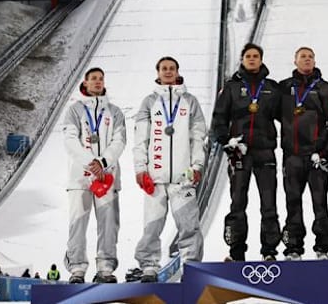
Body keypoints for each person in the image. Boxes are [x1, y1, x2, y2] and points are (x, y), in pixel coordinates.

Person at [133, 56, 207, 283]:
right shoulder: (149, 102)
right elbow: (140, 139)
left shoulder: (190, 101)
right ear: (157, 72)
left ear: (177, 72)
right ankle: (148, 267)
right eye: (164, 68)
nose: (168, 72)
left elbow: (198, 137)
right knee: (151, 227)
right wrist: (140, 169)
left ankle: (191, 266)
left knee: (189, 226)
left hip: (182, 178)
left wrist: (197, 166)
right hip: (154, 178)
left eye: (171, 68)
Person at [211, 43, 281, 261]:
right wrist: (226, 142)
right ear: (242, 59)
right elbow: (219, 118)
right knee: (238, 202)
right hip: (239, 153)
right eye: (248, 56)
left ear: (261, 60)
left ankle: (269, 251)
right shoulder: (231, 87)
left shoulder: (272, 87)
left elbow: (287, 118)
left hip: (265, 152)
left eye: (256, 56)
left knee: (269, 203)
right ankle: (236, 252)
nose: (252, 59)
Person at [61, 67, 127, 284]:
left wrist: (102, 163)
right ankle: (77, 269)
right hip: (80, 178)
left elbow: (119, 141)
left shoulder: (115, 112)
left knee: (108, 223)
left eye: (101, 79)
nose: (98, 82)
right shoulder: (74, 110)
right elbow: (71, 141)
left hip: (107, 176)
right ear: (85, 83)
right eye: (93, 79)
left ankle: (105, 268)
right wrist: (91, 163)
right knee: (78, 222)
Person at [278, 46, 328, 260]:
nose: (307, 59)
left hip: (317, 156)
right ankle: (293, 247)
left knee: (320, 202)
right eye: (302, 56)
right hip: (292, 156)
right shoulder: (284, 88)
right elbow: (267, 111)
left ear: (315, 61)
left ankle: (323, 248)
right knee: (292, 202)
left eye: (310, 57)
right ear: (294, 61)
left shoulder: (325, 88)